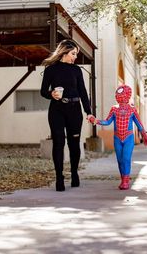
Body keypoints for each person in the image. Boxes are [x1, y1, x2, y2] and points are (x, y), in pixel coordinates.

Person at [40, 39, 93, 191]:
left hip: (75, 110)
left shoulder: (77, 70)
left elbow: (83, 92)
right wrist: (52, 94)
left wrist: (88, 112)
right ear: (64, 52)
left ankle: (74, 173)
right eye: (73, 53)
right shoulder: (51, 70)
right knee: (58, 143)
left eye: (76, 54)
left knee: (74, 144)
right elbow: (43, 91)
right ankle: (59, 178)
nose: (75, 57)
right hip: (56, 110)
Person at [89, 84, 147, 190]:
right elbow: (107, 122)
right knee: (120, 160)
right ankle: (123, 179)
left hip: (128, 137)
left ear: (127, 95)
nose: (120, 96)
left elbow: (139, 123)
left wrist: (144, 134)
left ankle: (126, 181)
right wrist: (96, 121)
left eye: (122, 94)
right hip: (117, 138)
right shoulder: (114, 109)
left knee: (126, 158)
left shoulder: (132, 109)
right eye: (118, 94)